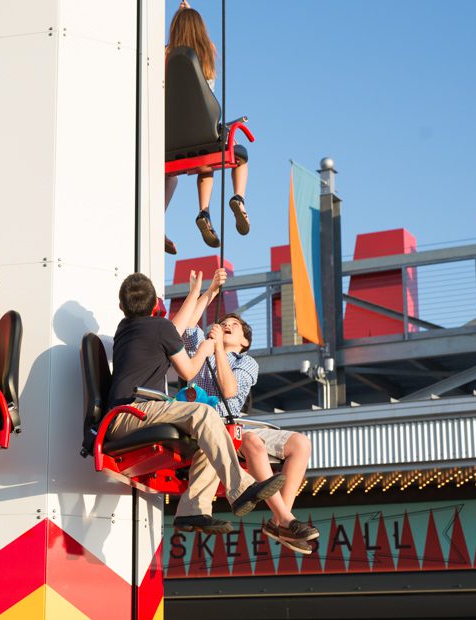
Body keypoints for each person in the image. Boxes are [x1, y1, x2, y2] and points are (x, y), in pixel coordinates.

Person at [105, 272, 285, 525]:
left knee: (208, 434)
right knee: (202, 413)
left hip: (129, 414)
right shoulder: (160, 329)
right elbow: (188, 370)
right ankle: (240, 486)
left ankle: (193, 509)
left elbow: (178, 326)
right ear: (157, 304)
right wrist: (205, 349)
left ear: (121, 306)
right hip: (131, 413)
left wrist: (201, 293)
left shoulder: (128, 328)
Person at [171, 268, 319, 552]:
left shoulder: (247, 363)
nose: (226, 324)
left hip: (233, 423)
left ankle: (280, 519)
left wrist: (216, 351)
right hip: (210, 427)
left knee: (300, 442)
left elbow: (229, 390)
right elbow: (187, 324)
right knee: (251, 440)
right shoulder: (201, 347)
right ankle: (285, 521)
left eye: (233, 326)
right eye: (224, 321)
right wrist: (210, 292)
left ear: (245, 343)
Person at [165, 1, 250, 254]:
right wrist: (189, 13)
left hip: (173, 138)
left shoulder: (166, 54)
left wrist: (180, 16)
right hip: (206, 133)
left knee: (172, 177)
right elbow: (206, 41)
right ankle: (234, 200)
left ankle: (159, 219)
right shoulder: (207, 51)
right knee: (233, 157)